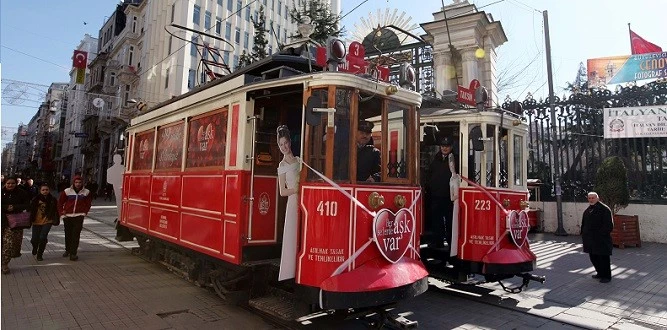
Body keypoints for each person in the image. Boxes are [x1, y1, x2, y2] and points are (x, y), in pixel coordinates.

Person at [276, 125, 300, 281]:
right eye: (280, 144)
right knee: (292, 235)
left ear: (290, 142)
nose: (284, 147)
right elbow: (282, 192)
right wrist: (297, 189)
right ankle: (289, 271)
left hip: (303, 200)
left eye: (286, 143)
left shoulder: (299, 160)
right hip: (293, 202)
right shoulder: (282, 166)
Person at [425, 135, 458, 248]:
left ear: (451, 147)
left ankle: (450, 242)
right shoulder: (435, 159)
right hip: (436, 195)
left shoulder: (455, 159)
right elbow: (430, 174)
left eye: (447, 146)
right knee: (436, 219)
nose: (444, 148)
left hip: (449, 196)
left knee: (450, 221)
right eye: (443, 146)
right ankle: (437, 241)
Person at [581, 192, 614, 283]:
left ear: (597, 198)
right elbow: (584, 223)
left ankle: (607, 276)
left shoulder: (604, 209)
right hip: (590, 240)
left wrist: (601, 234)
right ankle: (600, 273)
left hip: (601, 239)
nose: (591, 200)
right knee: (593, 257)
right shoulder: (588, 210)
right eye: (589, 198)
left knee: (603, 258)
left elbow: (609, 225)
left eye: (593, 198)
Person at [58, 176, 92, 261]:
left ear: (82, 183)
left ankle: (73, 253)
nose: (78, 184)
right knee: (68, 234)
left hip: (79, 216)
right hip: (68, 216)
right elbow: (60, 203)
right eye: (76, 182)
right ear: (73, 183)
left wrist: (84, 213)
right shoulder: (67, 191)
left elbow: (88, 204)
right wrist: (62, 213)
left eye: (79, 182)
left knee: (76, 235)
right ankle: (68, 250)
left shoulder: (86, 192)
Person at [1, 177, 31, 274]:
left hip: (14, 223)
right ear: (5, 183)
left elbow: (27, 205)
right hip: (2, 220)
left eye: (13, 183)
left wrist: (14, 207)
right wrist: (6, 207)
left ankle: (4, 264)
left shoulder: (22, 193)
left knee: (8, 243)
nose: (10, 185)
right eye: (8, 183)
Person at [29, 182, 59, 261]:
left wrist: (56, 218)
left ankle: (40, 254)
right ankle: (35, 247)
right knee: (34, 239)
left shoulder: (53, 199)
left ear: (49, 190)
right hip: (36, 221)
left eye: (47, 190)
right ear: (40, 191)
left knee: (42, 237)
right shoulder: (35, 199)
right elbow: (30, 210)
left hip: (47, 221)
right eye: (43, 190)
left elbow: (56, 210)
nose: (45, 191)